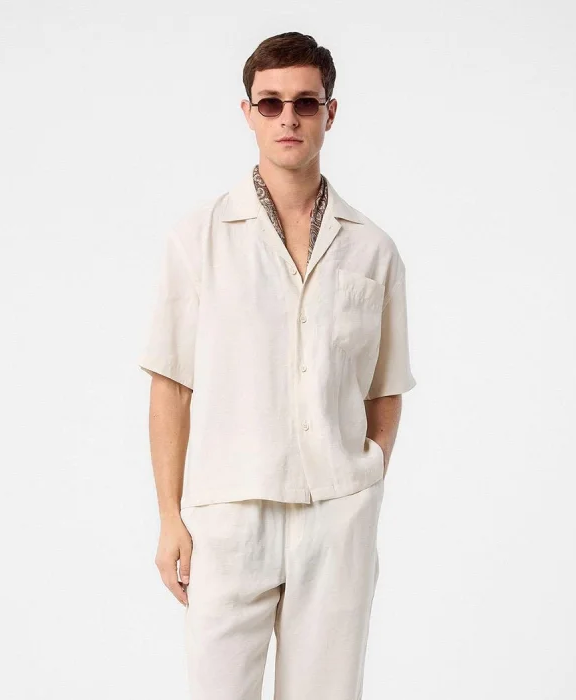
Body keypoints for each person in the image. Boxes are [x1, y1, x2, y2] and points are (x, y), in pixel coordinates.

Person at [138, 31, 417, 700]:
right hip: (229, 513)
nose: (288, 118)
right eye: (271, 103)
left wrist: (366, 475)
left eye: (305, 102)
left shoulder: (373, 249)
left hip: (337, 516)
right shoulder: (199, 236)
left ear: (329, 112)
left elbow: (386, 387)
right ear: (248, 113)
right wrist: (170, 517)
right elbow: (171, 386)